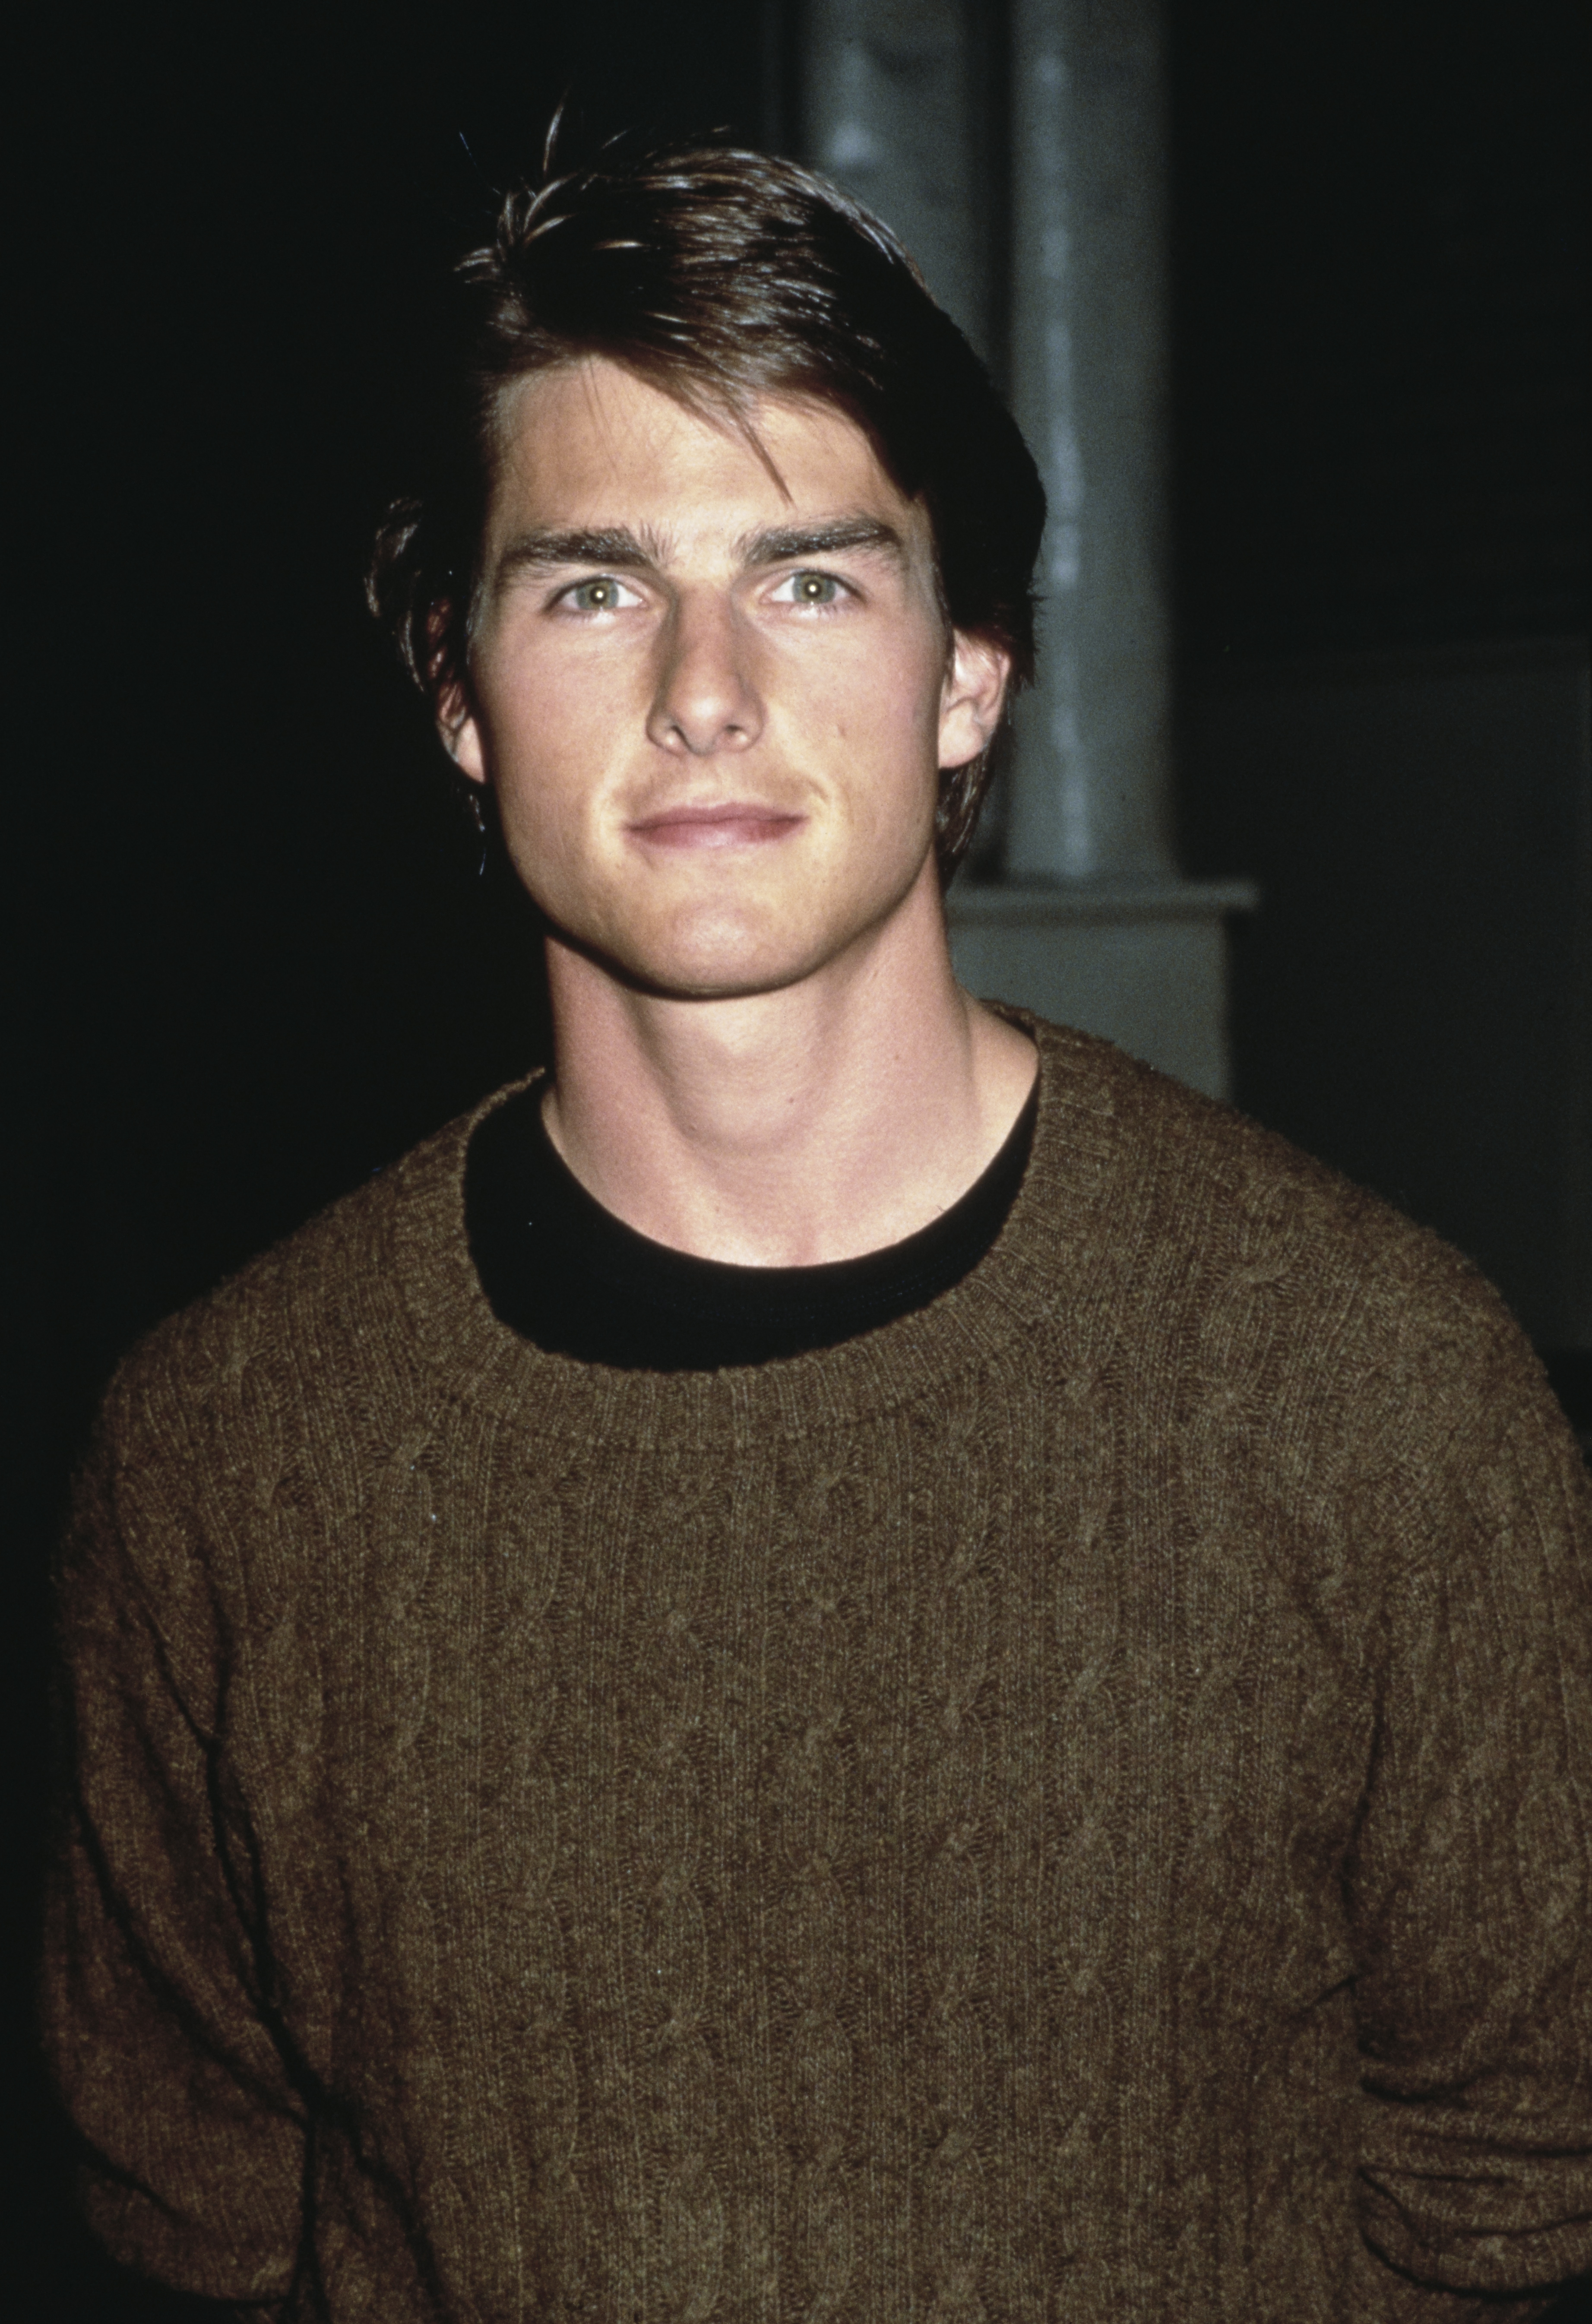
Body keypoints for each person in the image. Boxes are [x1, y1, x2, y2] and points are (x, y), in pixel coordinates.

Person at [43, 137, 1592, 2322]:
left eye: (810, 578)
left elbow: (1516, 2193)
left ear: (967, 673)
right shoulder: (224, 1453)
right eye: (593, 582)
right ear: (457, 690)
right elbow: (200, 2211)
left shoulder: (1377, 1391)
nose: (704, 689)